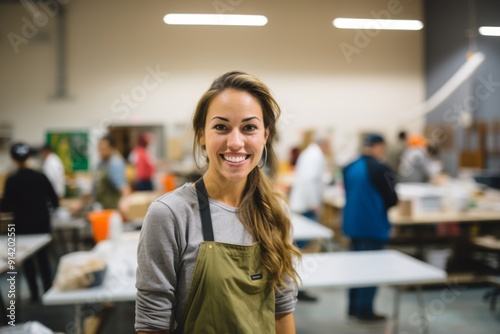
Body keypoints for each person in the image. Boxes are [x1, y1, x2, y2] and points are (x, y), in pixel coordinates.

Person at [135, 71, 300, 333]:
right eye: (221, 127)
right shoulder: (170, 215)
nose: (235, 142)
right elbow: (152, 323)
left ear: (265, 135)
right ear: (201, 134)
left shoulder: (275, 211)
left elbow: (282, 308)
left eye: (249, 127)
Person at [342, 134, 398, 322]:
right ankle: (365, 310)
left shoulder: (349, 167)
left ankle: (353, 307)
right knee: (371, 269)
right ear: (379, 146)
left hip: (352, 224)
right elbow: (392, 199)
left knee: (355, 268)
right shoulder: (382, 169)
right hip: (372, 226)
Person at [1, 142, 59, 302]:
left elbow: (6, 206)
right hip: (41, 225)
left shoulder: (12, 180)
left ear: (12, 158)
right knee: (43, 258)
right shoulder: (40, 176)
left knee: (27, 261)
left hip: (22, 227)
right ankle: (48, 290)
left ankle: (34, 294)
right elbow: (54, 201)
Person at [289, 130, 330, 222]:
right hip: (307, 206)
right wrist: (314, 203)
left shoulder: (310, 152)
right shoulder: (315, 155)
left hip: (304, 204)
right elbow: (309, 180)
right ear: (324, 144)